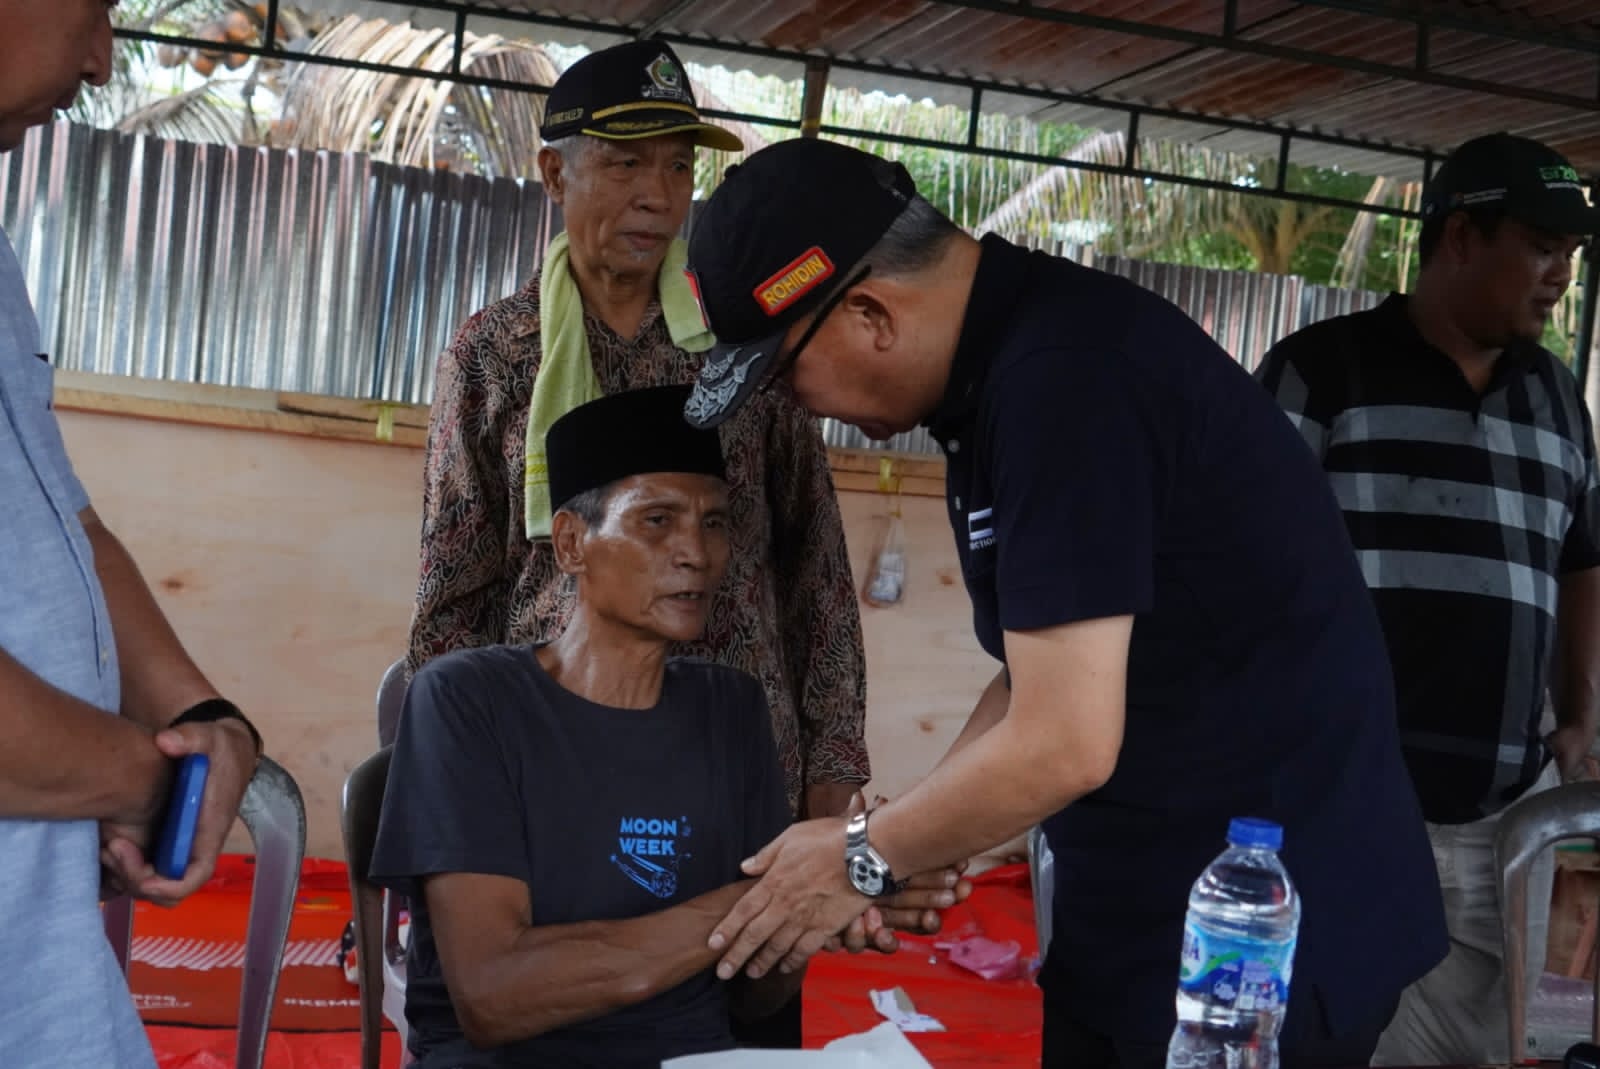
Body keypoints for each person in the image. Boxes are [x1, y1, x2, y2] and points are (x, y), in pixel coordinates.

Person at [678, 138, 1448, 1068]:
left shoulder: (1067, 380)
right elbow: (1040, 667)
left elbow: (1067, 735)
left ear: (872, 314)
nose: (802, 411)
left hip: (1248, 948)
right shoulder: (1007, 371)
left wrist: (858, 856)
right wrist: (907, 836)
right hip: (1146, 912)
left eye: (786, 378)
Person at [1255, 132, 1600, 1066]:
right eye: (1540, 246)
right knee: (1337, 1032)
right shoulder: (1319, 371)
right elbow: (1236, 560)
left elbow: (1582, 559)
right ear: (1458, 237)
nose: (1561, 273)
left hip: (1503, 813)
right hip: (1351, 799)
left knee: (1505, 1039)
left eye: (1571, 255)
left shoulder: (1558, 399)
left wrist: (1579, 716)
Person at [371, 384, 807, 1068]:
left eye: (716, 522)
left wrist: (818, 913)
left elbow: (756, 1000)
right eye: (658, 520)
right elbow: (495, 995)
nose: (697, 551)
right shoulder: (466, 700)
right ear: (572, 543)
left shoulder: (734, 709)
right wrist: (776, 893)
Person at [0, 3, 264, 1065]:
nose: (105, 58)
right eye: (94, 9)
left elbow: (64, 516)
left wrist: (203, 715)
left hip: (40, 951)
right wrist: (158, 783)